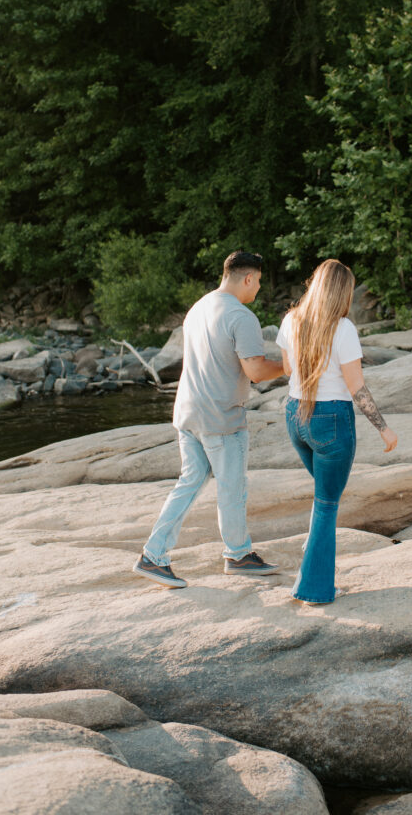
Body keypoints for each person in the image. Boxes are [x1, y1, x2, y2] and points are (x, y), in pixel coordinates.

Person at [133, 250, 284, 588]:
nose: (257, 289)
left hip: (187, 412)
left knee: (189, 482)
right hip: (221, 417)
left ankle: (153, 555)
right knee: (232, 488)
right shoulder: (241, 317)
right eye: (257, 282)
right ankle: (238, 555)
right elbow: (257, 371)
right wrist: (294, 365)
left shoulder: (198, 308)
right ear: (247, 278)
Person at [277, 259, 398, 605]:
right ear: (342, 292)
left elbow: (287, 369)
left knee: (322, 499)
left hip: (296, 416)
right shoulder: (342, 328)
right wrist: (384, 428)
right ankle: (314, 590)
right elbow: (356, 386)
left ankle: (313, 555)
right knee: (327, 504)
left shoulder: (291, 320)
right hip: (331, 419)